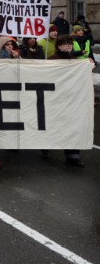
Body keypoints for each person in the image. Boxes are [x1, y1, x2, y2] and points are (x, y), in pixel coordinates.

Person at [48, 35, 86, 167]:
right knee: (53, 124)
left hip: (71, 99)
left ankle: (73, 155)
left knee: (72, 126)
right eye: (65, 43)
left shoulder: (75, 60)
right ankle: (45, 144)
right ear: (58, 46)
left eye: (70, 43)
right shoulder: (52, 59)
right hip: (56, 98)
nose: (69, 45)